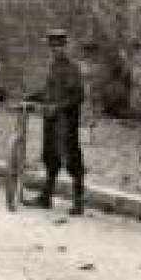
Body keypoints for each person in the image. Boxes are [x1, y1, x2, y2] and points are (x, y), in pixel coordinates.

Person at [31, 28, 87, 215]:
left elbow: (78, 96)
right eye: (52, 46)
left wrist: (59, 106)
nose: (56, 50)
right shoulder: (53, 67)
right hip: (51, 119)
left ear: (65, 46)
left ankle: (78, 202)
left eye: (59, 46)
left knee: (72, 159)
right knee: (50, 157)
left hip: (66, 121)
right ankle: (46, 197)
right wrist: (32, 98)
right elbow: (48, 92)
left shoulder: (72, 68)